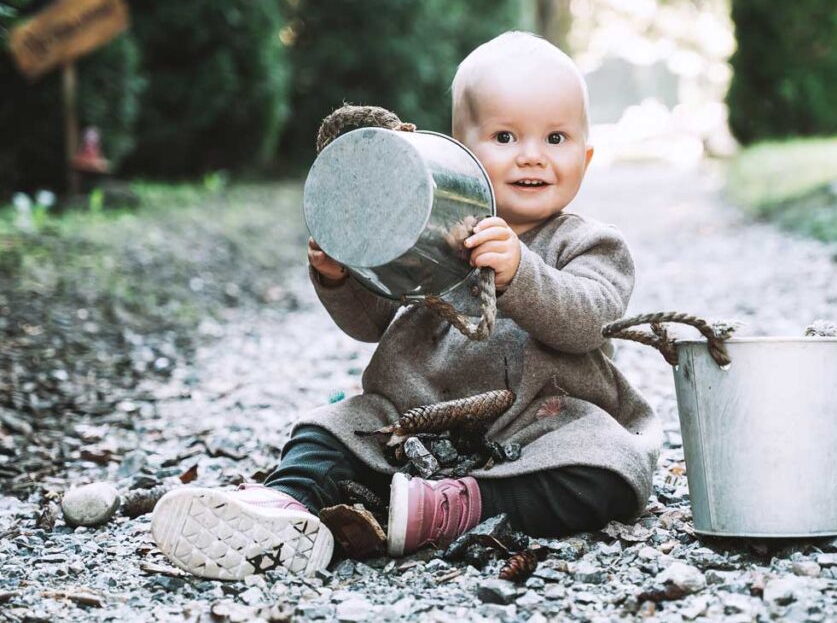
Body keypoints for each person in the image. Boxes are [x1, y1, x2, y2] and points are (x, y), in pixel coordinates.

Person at [151, 31, 661, 581]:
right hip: (412, 424)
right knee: (326, 430)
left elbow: (591, 320)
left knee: (610, 467)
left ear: (585, 156)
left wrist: (522, 273)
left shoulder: (588, 244)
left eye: (556, 138)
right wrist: (342, 275)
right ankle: (284, 509)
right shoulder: (427, 230)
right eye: (506, 136)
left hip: (540, 428)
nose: (532, 155)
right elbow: (369, 325)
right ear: (458, 151)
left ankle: (452, 508)